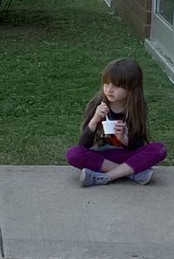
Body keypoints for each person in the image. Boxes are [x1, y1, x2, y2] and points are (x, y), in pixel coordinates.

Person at [65, 58, 167, 187]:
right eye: (106, 84)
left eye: (116, 86)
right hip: (102, 157)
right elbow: (83, 145)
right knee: (73, 153)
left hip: (127, 156)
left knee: (159, 149)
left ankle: (105, 177)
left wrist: (123, 138)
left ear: (131, 88)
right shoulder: (97, 105)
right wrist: (94, 120)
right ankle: (130, 173)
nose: (109, 89)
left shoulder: (135, 109)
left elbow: (138, 146)